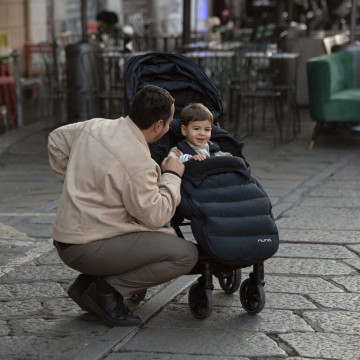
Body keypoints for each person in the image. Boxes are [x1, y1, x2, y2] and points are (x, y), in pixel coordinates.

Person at [48, 85, 198, 327]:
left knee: (148, 235)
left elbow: (56, 140)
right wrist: (172, 174)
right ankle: (106, 291)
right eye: (170, 121)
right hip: (88, 247)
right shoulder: (139, 161)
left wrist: (78, 184)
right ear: (158, 125)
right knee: (185, 254)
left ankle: (87, 285)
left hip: (66, 241)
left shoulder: (95, 126)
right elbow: (157, 216)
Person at [168, 103, 232, 162]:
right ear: (184, 130)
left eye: (207, 130)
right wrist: (189, 159)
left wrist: (229, 157)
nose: (202, 133)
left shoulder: (212, 149)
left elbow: (224, 158)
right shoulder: (177, 150)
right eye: (196, 129)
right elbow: (170, 163)